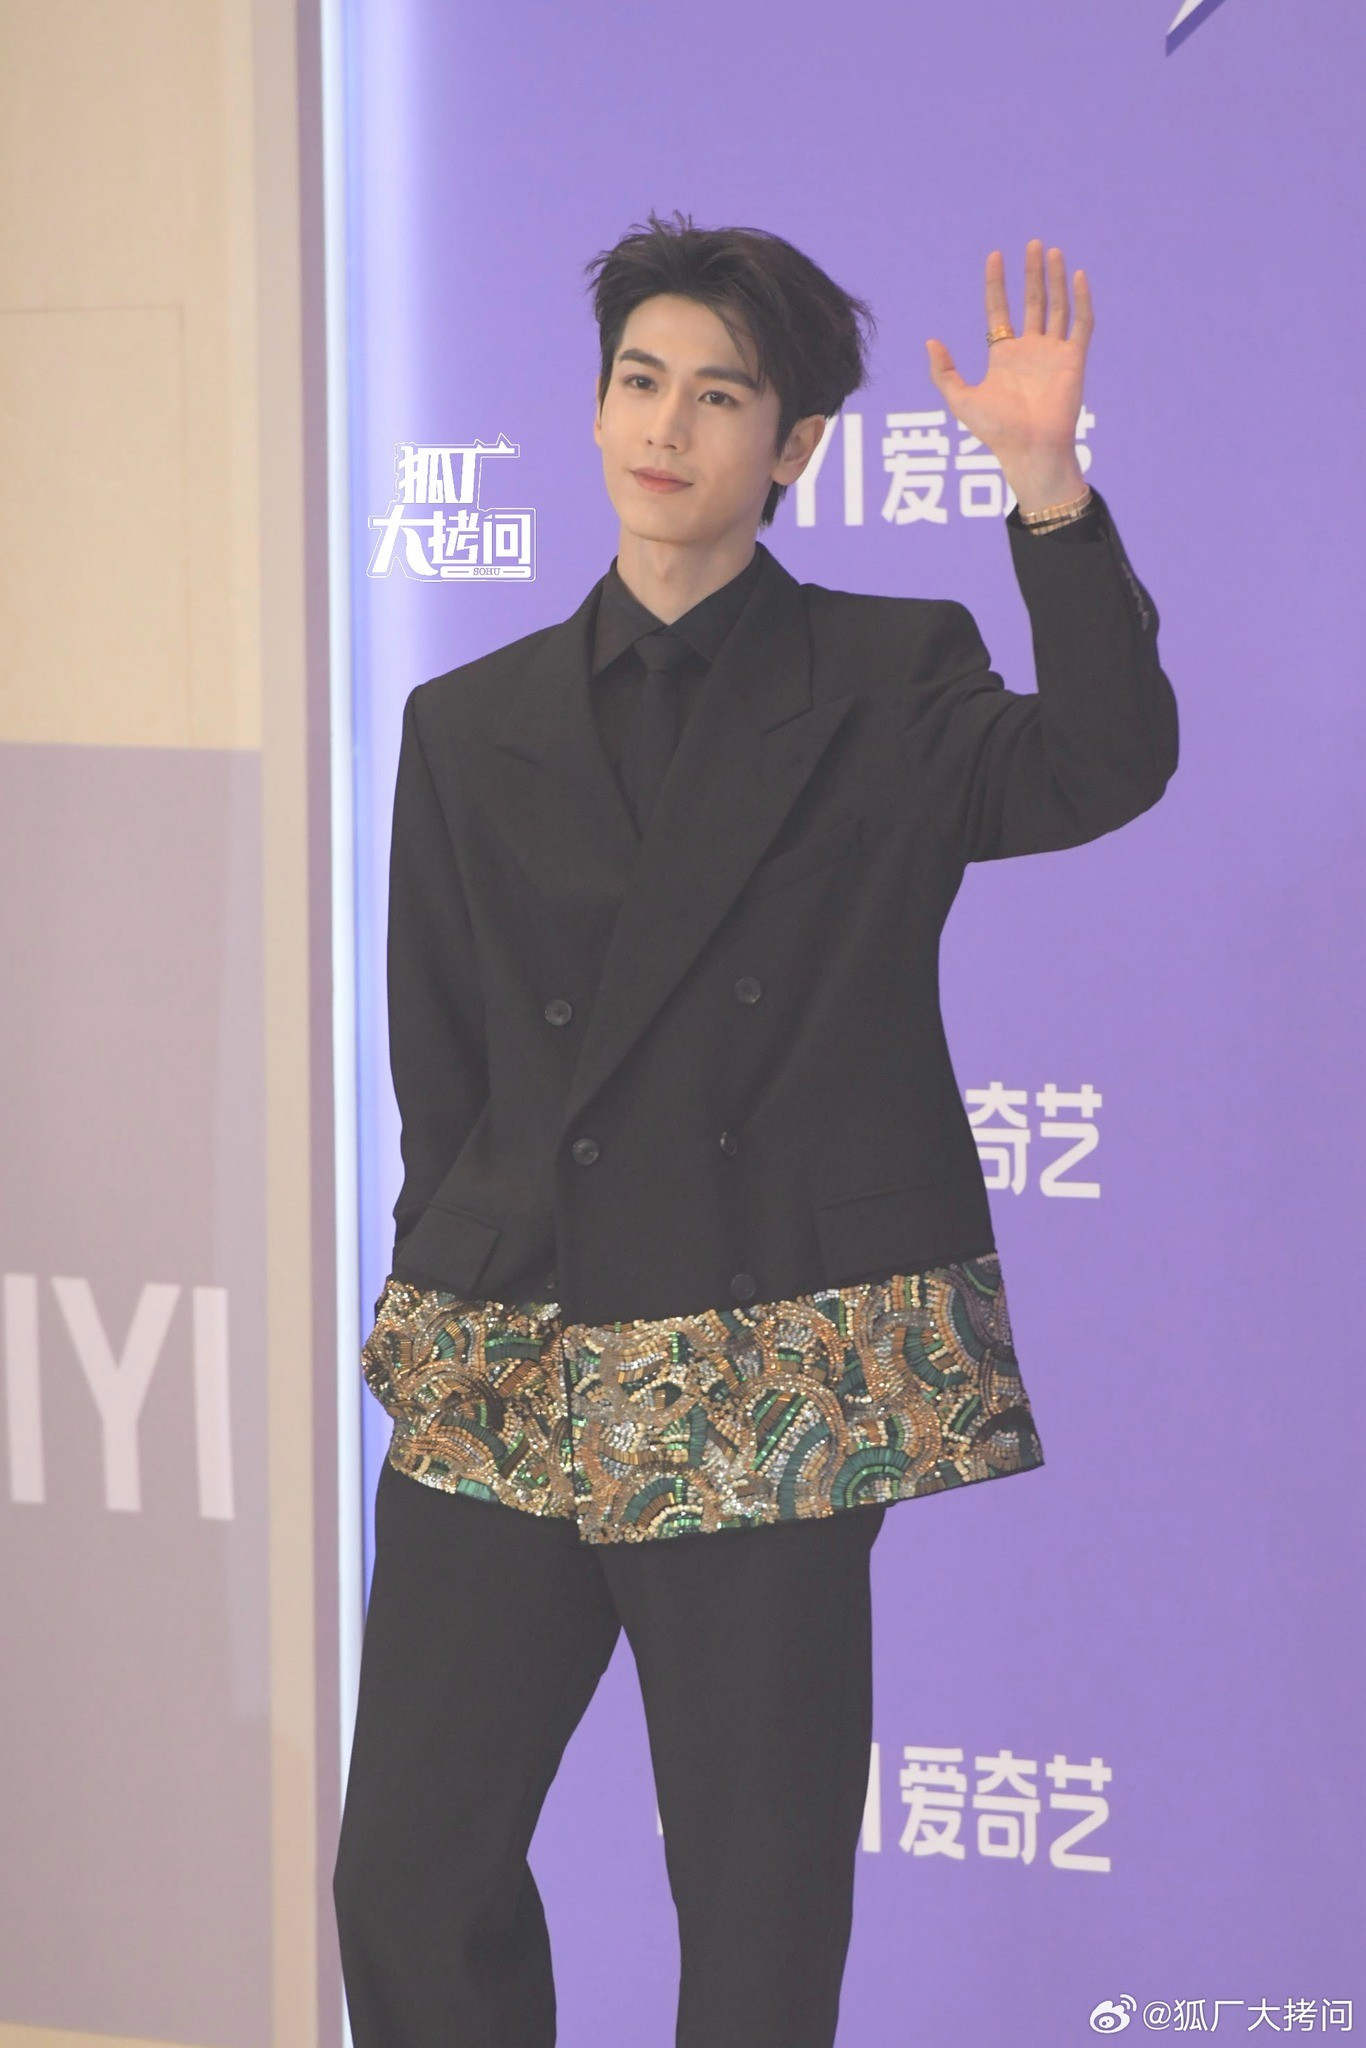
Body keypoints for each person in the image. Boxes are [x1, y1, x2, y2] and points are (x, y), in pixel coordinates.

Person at [333, 208, 1177, 2048]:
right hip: (512, 1352)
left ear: (790, 447)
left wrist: (1047, 493)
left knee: (757, 1913)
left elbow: (1100, 765)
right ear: (595, 407)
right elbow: (444, 1069)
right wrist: (448, 1283)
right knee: (403, 1874)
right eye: (639, 380)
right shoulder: (465, 723)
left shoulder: (886, 675)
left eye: (718, 396)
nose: (666, 425)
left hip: (765, 1360)